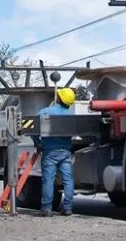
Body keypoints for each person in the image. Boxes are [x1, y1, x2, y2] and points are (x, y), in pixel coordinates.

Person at [35, 87, 76, 216]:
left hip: (50, 152)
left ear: (59, 98)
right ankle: (68, 208)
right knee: (68, 181)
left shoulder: (45, 112)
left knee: (48, 181)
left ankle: (47, 209)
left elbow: (31, 127)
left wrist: (38, 143)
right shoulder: (71, 115)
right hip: (65, 152)